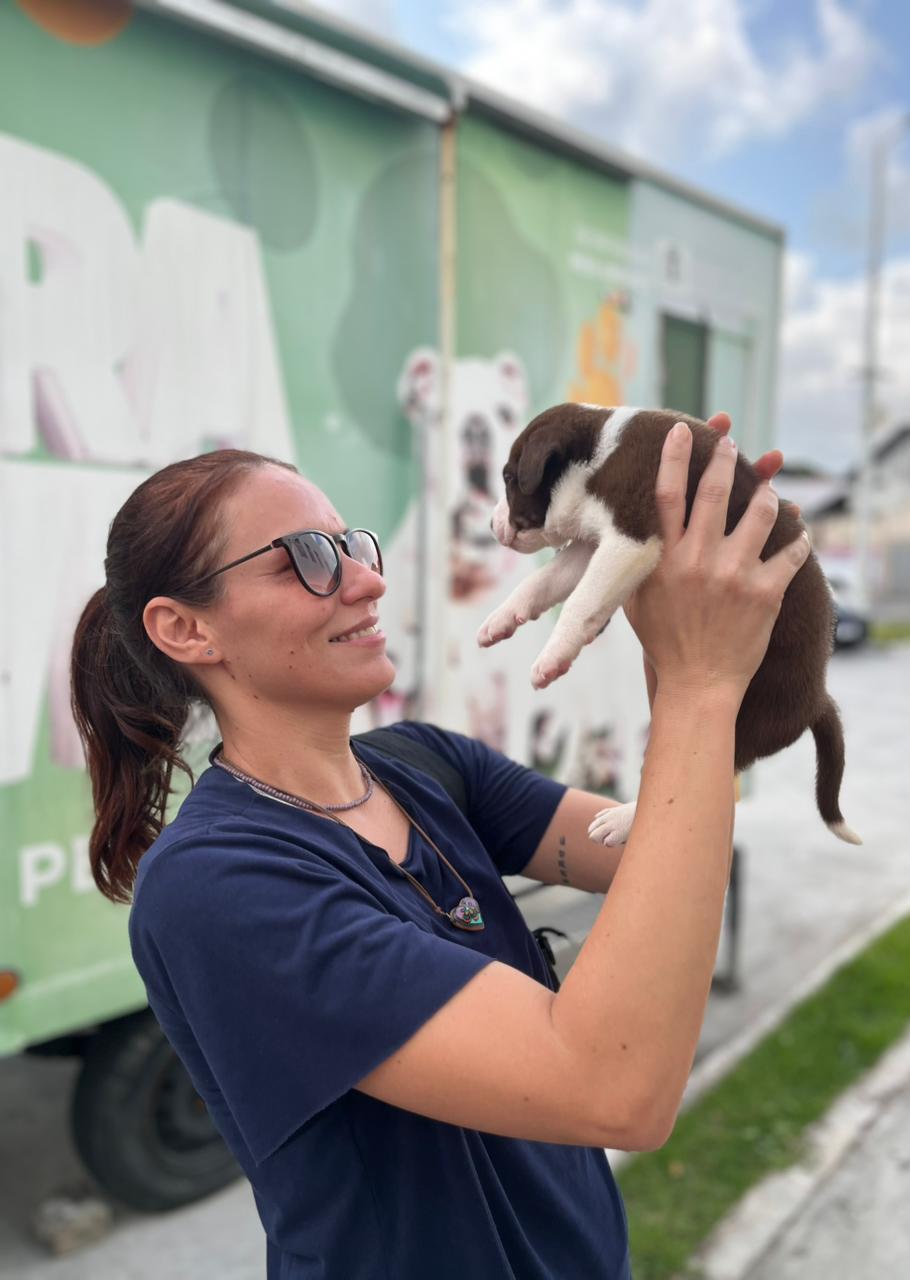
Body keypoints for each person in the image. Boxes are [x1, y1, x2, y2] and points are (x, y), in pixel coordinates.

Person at [69, 413, 808, 1279]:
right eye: (305, 558)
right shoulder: (216, 884)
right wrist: (699, 685)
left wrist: (672, 602)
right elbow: (615, 1088)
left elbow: (672, 861)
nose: (366, 581)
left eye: (354, 546)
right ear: (185, 630)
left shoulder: (423, 765)